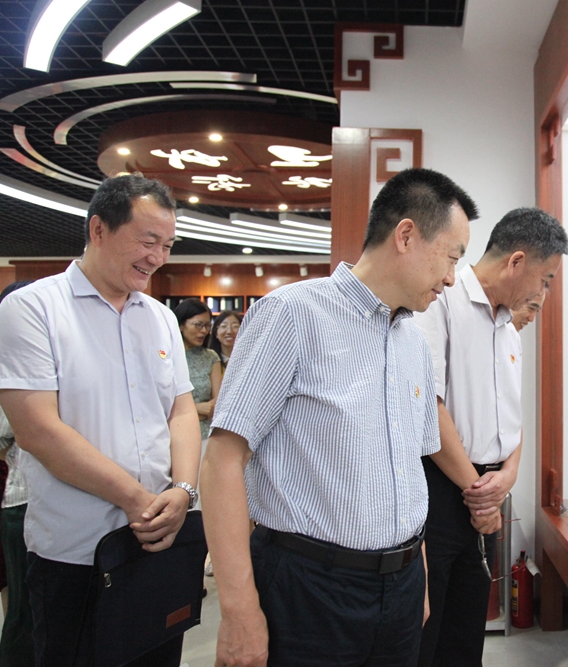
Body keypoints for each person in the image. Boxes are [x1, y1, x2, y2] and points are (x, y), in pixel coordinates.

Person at [201, 167, 478, 667]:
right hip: (308, 588)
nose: (451, 278)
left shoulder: (414, 343)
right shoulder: (292, 315)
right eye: (452, 257)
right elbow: (222, 460)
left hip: (402, 587)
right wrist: (238, 610)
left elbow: (409, 469)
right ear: (406, 235)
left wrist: (416, 574)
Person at [0, 173, 203, 666]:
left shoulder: (159, 317)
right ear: (99, 229)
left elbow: (180, 410)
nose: (157, 257)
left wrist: (183, 491)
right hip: (75, 554)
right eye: (147, 241)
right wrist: (138, 502)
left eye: (168, 245)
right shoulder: (34, 309)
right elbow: (38, 431)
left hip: (158, 543)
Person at [413, 207, 568, 667]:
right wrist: (477, 493)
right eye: (544, 279)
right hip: (441, 488)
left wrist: (509, 475)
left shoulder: (509, 329)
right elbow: (428, 407)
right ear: (516, 262)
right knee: (427, 632)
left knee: (467, 631)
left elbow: (510, 418)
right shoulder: (440, 302)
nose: (542, 292)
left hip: (487, 490)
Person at [0, 281, 35, 667]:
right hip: (21, 498)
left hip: (50, 501)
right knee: (24, 608)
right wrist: (26, 458)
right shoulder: (5, 364)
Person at [173, 298, 222, 440]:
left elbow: (218, 402)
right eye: (198, 325)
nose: (204, 331)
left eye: (207, 325)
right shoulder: (167, 356)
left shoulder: (210, 357)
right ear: (181, 325)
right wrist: (196, 408)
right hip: (172, 432)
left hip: (205, 434)